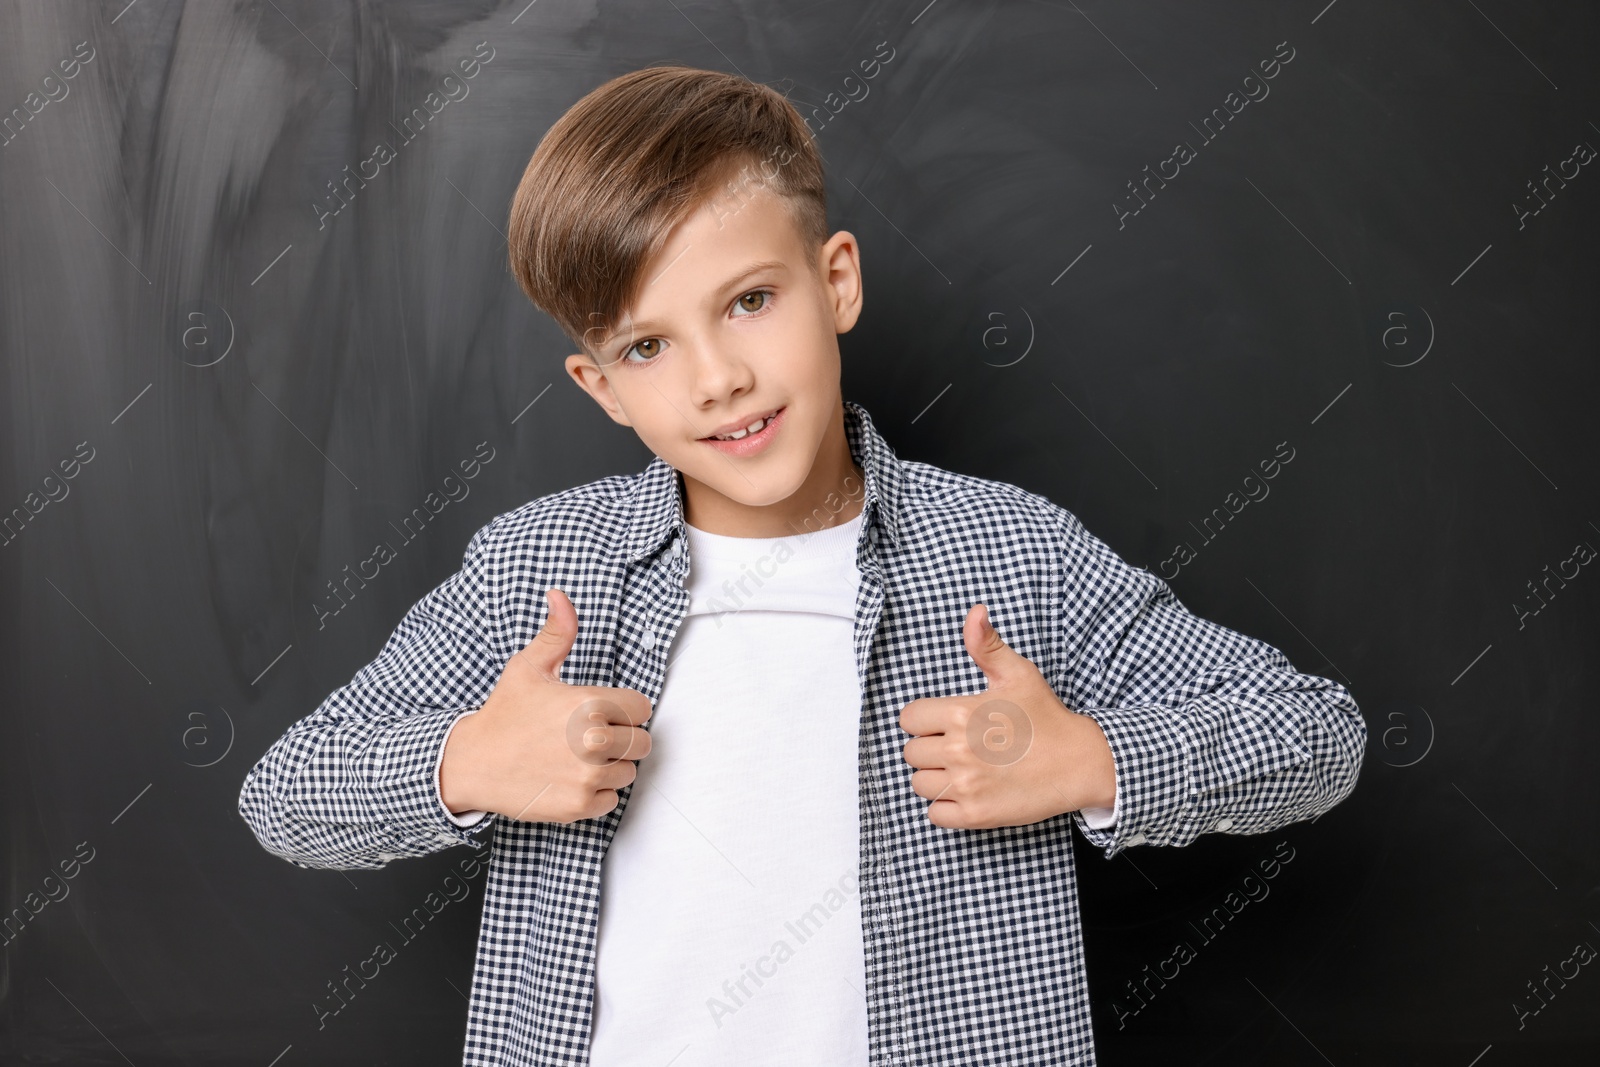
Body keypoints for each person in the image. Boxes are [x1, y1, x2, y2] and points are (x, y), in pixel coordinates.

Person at [237, 64, 1366, 1067]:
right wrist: (464, 761)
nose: (717, 377)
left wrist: (1091, 758)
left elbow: (1316, 733)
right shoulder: (539, 569)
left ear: (835, 282)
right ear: (602, 390)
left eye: (748, 301)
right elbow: (286, 794)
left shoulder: (1010, 554)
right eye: (646, 345)